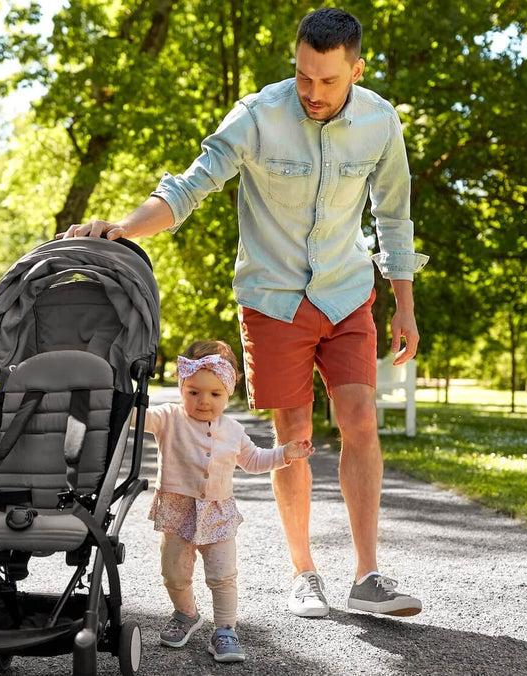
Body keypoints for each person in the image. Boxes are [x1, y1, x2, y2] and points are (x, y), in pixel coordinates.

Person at [62, 7, 428, 618]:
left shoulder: (380, 122)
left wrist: (405, 305)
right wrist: (124, 229)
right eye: (304, 76)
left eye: (329, 81)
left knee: (360, 419)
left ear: (356, 70)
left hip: (345, 291)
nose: (313, 92)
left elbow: (394, 218)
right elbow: (190, 186)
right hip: (273, 299)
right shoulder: (258, 115)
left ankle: (368, 575)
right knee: (296, 438)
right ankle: (304, 573)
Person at [142, 340, 314, 662]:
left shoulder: (233, 430)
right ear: (182, 387)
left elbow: (254, 460)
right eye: (193, 392)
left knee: (223, 576)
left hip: (218, 514)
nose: (203, 402)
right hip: (177, 512)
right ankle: (186, 614)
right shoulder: (168, 419)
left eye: (214, 394)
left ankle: (225, 629)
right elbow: (138, 419)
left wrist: (284, 454)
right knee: (174, 573)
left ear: (228, 393)